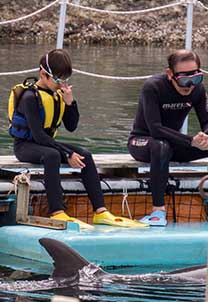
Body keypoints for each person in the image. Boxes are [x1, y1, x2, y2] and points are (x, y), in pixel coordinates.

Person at [8, 49, 147, 229]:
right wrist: (67, 153)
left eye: (65, 79)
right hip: (26, 146)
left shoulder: (57, 95)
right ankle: (57, 211)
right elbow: (38, 136)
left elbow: (71, 126)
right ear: (43, 74)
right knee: (52, 156)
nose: (62, 84)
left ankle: (101, 211)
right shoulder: (29, 97)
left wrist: (70, 103)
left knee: (85, 154)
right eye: (58, 79)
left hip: (46, 145)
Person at [128, 49, 208, 226]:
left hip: (173, 144)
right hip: (143, 142)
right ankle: (158, 210)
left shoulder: (198, 90)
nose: (189, 85)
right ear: (169, 74)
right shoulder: (153, 87)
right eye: (183, 79)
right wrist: (191, 141)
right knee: (161, 145)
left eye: (195, 78)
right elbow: (156, 129)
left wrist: (207, 137)